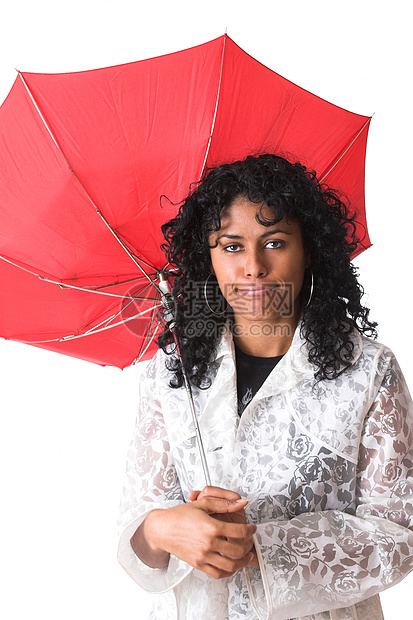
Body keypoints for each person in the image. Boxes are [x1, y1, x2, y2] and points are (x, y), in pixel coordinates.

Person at [117, 154, 413, 620]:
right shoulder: (170, 374)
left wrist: (261, 545)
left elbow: (399, 534)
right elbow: (139, 520)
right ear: (207, 258)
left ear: (309, 249)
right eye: (230, 247)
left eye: (274, 242)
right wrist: (163, 529)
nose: (253, 267)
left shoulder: (369, 372)